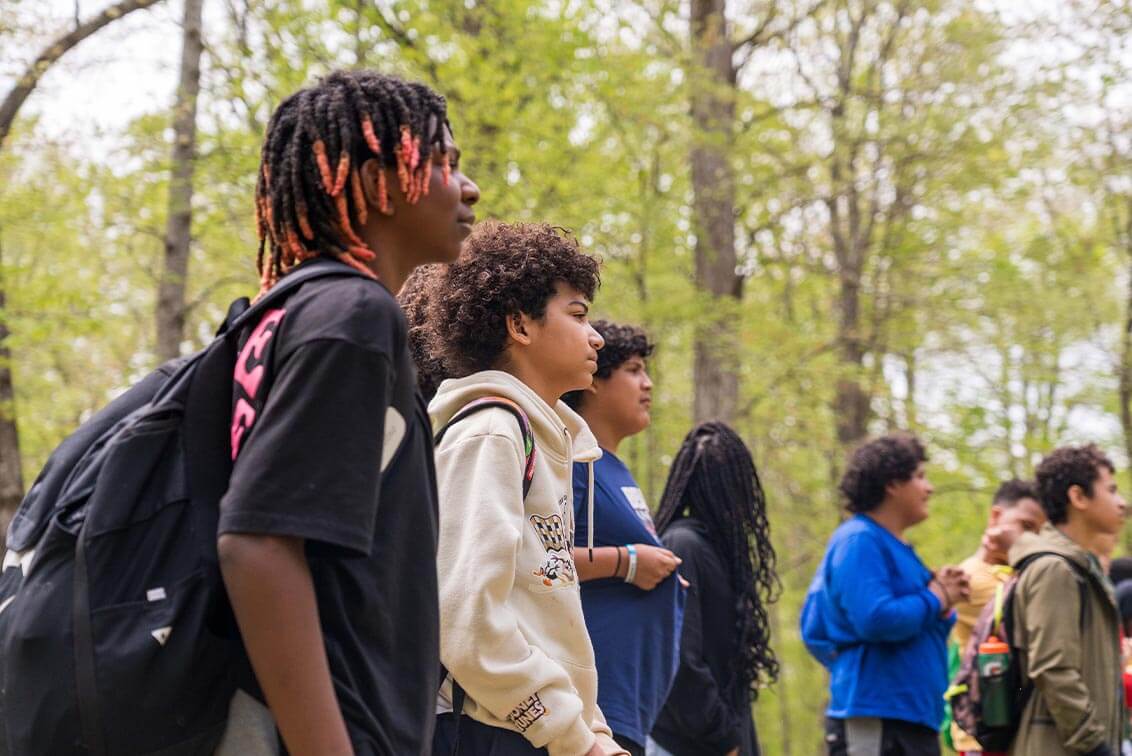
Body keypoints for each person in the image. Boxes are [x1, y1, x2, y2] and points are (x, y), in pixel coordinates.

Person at [216, 71, 479, 755]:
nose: (468, 187)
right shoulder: (353, 318)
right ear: (375, 182)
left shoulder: (284, 316)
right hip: (333, 725)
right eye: (444, 163)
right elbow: (259, 544)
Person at [425, 221, 626, 756]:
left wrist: (592, 729)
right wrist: (571, 736)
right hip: (486, 733)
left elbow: (545, 621)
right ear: (520, 324)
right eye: (578, 315)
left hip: (531, 732)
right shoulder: (490, 433)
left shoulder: (538, 437)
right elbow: (466, 618)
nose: (596, 336)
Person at [801, 433, 969, 756]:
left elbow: (917, 622)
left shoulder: (897, 547)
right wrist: (935, 597)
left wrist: (945, 600)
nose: (929, 488)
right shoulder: (859, 539)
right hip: (876, 715)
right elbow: (876, 619)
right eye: (920, 477)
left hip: (914, 717)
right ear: (892, 483)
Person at [562, 321, 685, 756]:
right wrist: (626, 561)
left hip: (631, 709)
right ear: (594, 380)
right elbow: (534, 557)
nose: (647, 384)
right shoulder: (573, 460)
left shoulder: (615, 468)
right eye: (633, 370)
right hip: (591, 705)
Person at [650, 422, 780, 756]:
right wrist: (724, 739)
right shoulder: (683, 544)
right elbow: (680, 659)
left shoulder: (720, 553)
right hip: (687, 744)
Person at [1008, 444, 1126, 756]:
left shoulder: (1079, 570)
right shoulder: (1055, 570)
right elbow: (1053, 667)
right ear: (1078, 498)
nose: (1122, 503)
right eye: (1111, 491)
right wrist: (1095, 746)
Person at [947, 480, 1046, 755]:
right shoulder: (973, 579)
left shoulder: (1016, 574)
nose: (1030, 540)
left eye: (1038, 533)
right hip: (986, 736)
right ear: (996, 516)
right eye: (1025, 527)